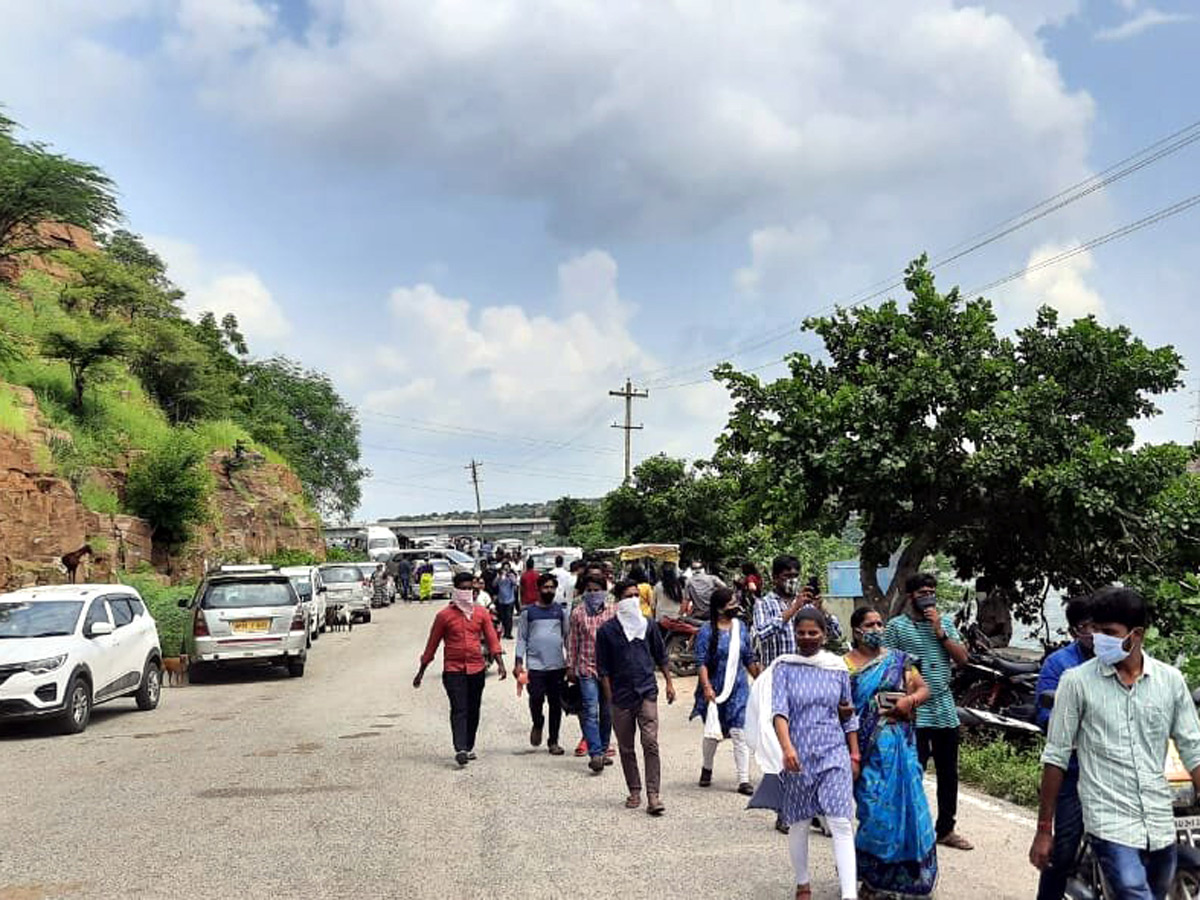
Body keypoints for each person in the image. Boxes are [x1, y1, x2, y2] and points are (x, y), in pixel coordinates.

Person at [1030, 586, 1200, 900]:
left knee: (1158, 889)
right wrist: (1043, 830)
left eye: (1108, 632)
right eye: (1095, 630)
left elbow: (1193, 749)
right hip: (1104, 813)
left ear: (1136, 635)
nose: (1098, 639)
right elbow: (1055, 755)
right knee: (1078, 858)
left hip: (1157, 819)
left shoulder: (1170, 681)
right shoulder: (1075, 680)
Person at [748, 608, 861, 900]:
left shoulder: (837, 668)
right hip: (797, 755)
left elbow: (848, 714)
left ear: (824, 634)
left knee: (840, 821)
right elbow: (779, 711)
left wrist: (854, 754)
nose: (808, 638)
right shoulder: (784, 667)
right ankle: (803, 883)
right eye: (802, 633)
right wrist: (787, 748)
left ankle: (849, 894)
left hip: (833, 752)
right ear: (794, 634)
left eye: (814, 633)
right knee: (799, 820)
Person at [845, 607, 937, 898]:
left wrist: (909, 701)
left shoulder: (899, 661)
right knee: (874, 813)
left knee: (908, 810)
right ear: (856, 630)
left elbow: (924, 690)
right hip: (864, 749)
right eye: (869, 624)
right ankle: (872, 880)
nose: (876, 628)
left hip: (901, 747)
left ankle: (908, 881)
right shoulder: (844, 665)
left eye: (879, 623)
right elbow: (839, 707)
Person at [883, 572, 973, 851]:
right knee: (913, 770)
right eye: (922, 592)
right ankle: (910, 826)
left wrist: (941, 633)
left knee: (949, 772)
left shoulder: (944, 622)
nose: (928, 596)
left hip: (944, 709)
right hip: (914, 712)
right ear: (911, 596)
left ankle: (946, 828)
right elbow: (886, 664)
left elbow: (963, 659)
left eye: (932, 590)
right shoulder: (897, 627)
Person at [1032, 595, 1094, 900]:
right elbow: (1046, 718)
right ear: (1073, 632)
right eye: (1088, 626)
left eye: (1103, 625)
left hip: (1119, 773)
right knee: (1063, 848)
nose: (1097, 633)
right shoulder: (1059, 665)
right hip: (1075, 773)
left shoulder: (1124, 662)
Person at [597, 580, 677, 815]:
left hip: (646, 691)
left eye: (636, 596)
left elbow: (661, 655)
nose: (633, 600)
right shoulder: (606, 631)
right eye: (628, 596)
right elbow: (603, 669)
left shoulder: (648, 626)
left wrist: (670, 683)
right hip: (620, 695)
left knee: (650, 742)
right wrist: (610, 698)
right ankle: (634, 789)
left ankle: (654, 795)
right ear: (619, 601)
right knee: (626, 746)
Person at [413, 571, 507, 767]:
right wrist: (421, 671)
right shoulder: (444, 616)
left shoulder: (481, 613)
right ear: (455, 590)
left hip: (476, 668)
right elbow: (432, 644)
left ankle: (469, 745)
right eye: (462, 589)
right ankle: (460, 748)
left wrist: (500, 663)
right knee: (459, 708)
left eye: (469, 589)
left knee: (473, 708)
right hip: (453, 669)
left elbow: (492, 639)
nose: (466, 592)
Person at [752, 554, 819, 830]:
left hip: (808, 683)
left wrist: (818, 609)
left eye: (795, 575)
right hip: (778, 683)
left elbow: (835, 632)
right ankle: (785, 808)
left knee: (810, 745)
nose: (791, 580)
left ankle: (809, 804)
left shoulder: (807, 604)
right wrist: (792, 610)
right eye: (786, 576)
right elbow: (761, 634)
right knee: (783, 747)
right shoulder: (763, 604)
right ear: (775, 578)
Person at [692, 587, 760, 793]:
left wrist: (760, 677)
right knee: (713, 733)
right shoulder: (706, 631)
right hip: (714, 688)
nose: (735, 606)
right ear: (720, 609)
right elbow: (701, 662)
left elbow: (748, 656)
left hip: (738, 688)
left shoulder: (740, 628)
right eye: (731, 604)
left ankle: (743, 779)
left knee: (740, 731)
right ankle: (707, 767)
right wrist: (706, 687)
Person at [514, 573, 570, 756]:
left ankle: (553, 741)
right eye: (545, 587)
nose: (549, 590)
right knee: (536, 698)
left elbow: (567, 637)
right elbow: (522, 638)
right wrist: (518, 661)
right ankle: (537, 723)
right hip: (536, 666)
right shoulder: (528, 613)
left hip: (557, 666)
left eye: (552, 587)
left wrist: (571, 660)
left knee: (556, 704)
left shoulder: (561, 612)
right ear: (538, 589)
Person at [567, 568, 616, 773]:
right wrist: (570, 665)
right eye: (590, 589)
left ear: (604, 591)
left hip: (609, 670)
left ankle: (604, 749)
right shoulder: (578, 613)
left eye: (597, 589)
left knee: (607, 711)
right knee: (590, 710)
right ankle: (595, 752)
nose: (593, 593)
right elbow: (573, 641)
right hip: (586, 667)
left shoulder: (613, 612)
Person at [493, 562, 519, 639]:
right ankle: (504, 632)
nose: (506, 569)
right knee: (503, 617)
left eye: (507, 568)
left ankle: (509, 633)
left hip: (510, 599)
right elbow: (494, 584)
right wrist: (499, 576)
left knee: (509, 617)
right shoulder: (500, 576)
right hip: (501, 600)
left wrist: (509, 576)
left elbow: (515, 583)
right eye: (504, 568)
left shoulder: (511, 576)